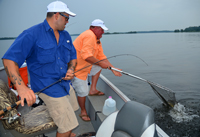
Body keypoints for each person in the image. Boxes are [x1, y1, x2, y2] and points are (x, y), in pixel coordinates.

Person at [2, 1, 79, 137]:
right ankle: (66, 132)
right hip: (47, 87)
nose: (67, 21)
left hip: (65, 84)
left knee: (72, 110)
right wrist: (22, 88)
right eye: (66, 17)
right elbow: (9, 60)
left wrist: (71, 69)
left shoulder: (66, 36)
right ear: (56, 15)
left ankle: (69, 133)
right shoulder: (31, 34)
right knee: (67, 125)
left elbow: (73, 57)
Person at [71, 19, 122, 121]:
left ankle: (93, 89)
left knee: (98, 66)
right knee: (82, 92)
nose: (103, 32)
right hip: (77, 69)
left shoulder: (96, 39)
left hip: (86, 66)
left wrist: (112, 68)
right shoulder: (89, 35)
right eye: (101, 30)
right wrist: (100, 63)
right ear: (93, 28)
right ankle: (83, 112)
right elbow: (86, 56)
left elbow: (101, 56)